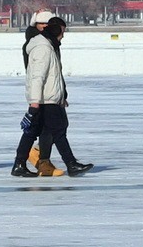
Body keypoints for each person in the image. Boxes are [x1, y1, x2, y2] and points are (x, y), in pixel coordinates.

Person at [23, 18, 93, 177]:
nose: (64, 35)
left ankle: (34, 162)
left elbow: (56, 76)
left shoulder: (50, 46)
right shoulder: (44, 48)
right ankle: (69, 163)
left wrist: (62, 95)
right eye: (63, 31)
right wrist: (35, 101)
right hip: (47, 98)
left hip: (52, 97)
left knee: (52, 130)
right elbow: (37, 77)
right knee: (56, 131)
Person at [11, 10, 53, 177]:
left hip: (47, 92)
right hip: (40, 92)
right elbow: (37, 73)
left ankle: (33, 160)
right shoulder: (38, 44)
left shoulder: (47, 43)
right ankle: (26, 161)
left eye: (48, 24)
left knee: (44, 128)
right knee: (38, 128)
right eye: (42, 23)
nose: (45, 26)